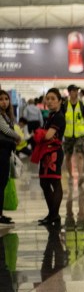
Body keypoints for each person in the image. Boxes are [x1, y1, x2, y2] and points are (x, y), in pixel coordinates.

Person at [36, 88, 66, 227]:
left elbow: (48, 136)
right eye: (47, 99)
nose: (49, 101)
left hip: (53, 153)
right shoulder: (51, 115)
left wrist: (39, 133)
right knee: (44, 183)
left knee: (54, 182)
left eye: (53, 98)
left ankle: (54, 215)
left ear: (60, 101)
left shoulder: (59, 116)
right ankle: (52, 214)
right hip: (46, 152)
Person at [62, 84, 84, 185]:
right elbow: (61, 120)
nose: (76, 93)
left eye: (76, 91)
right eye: (74, 91)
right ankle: (71, 175)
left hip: (80, 134)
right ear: (70, 92)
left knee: (80, 155)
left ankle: (80, 175)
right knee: (68, 156)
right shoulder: (65, 105)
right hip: (68, 135)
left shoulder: (82, 105)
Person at [0, 90, 20, 227]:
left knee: (2, 184)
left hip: (5, 152)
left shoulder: (6, 116)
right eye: (1, 99)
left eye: (6, 99)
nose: (4, 102)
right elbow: (5, 130)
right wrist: (17, 137)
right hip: (0, 153)